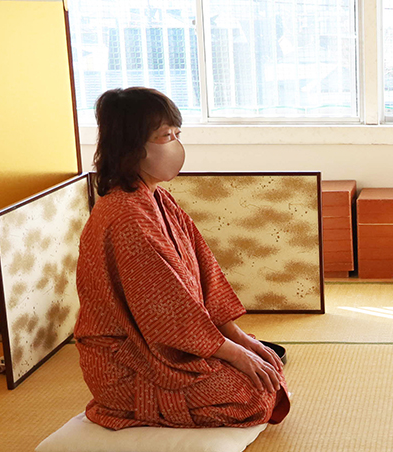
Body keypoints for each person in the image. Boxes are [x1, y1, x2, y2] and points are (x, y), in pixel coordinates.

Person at [74, 87, 290, 429]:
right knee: (254, 396)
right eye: (165, 136)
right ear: (132, 147)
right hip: (131, 363)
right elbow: (168, 314)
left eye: (177, 134)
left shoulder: (157, 200)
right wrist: (234, 354)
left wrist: (242, 340)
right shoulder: (127, 218)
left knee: (270, 368)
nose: (175, 144)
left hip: (169, 348)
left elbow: (206, 279)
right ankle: (125, 407)